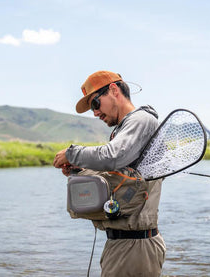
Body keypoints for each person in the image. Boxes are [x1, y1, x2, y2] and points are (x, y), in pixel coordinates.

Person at [53, 70, 166, 277]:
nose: (95, 113)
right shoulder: (126, 127)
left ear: (114, 90)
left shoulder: (140, 119)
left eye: (95, 104)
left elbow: (113, 156)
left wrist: (72, 153)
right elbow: (118, 171)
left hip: (135, 247)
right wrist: (78, 170)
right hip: (124, 245)